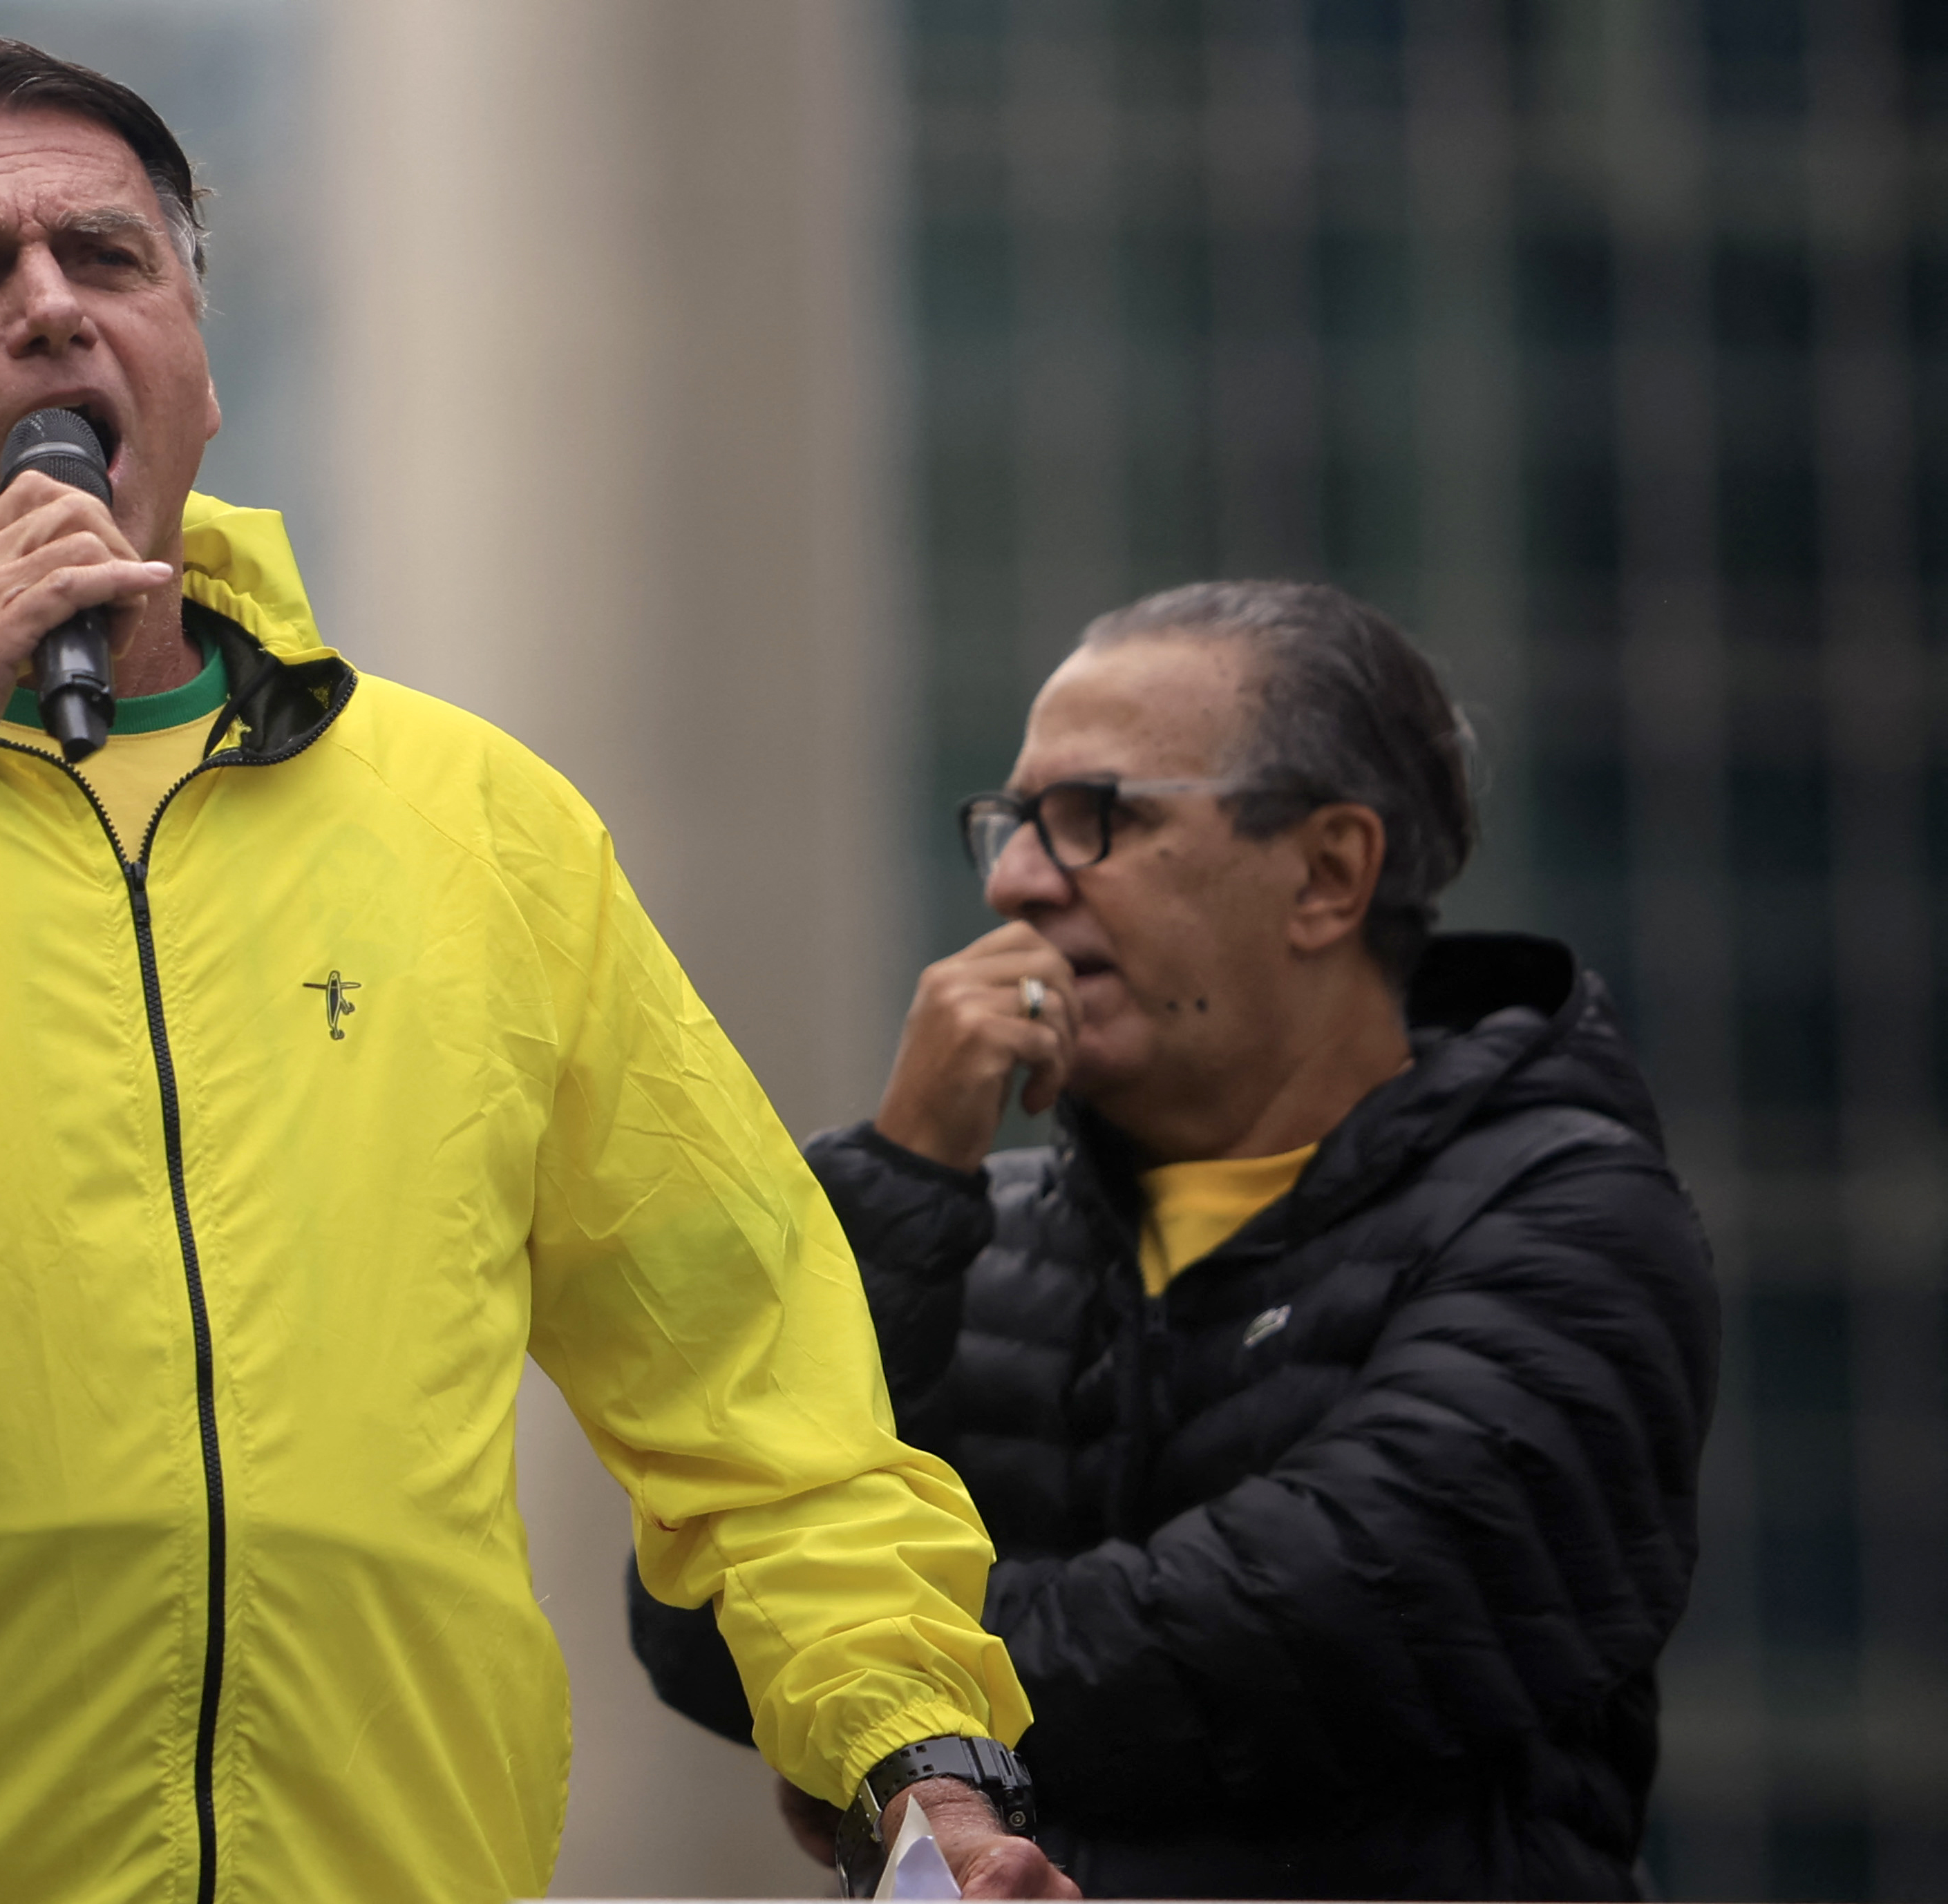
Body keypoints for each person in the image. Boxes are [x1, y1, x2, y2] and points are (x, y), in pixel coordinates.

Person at [0, 38, 1070, 1904]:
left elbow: (759, 1395)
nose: (51, 308)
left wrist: (915, 1760)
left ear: (196, 368)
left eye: (108, 259)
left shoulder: (474, 823)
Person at [629, 580, 1721, 1898]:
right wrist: (904, 1178)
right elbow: (701, 1614)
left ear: (1326, 874)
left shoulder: (1564, 1214)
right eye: (1010, 825)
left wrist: (880, 1700)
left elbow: (1281, 1642)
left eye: (1098, 818)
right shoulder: (976, 1230)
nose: (1016, 880)